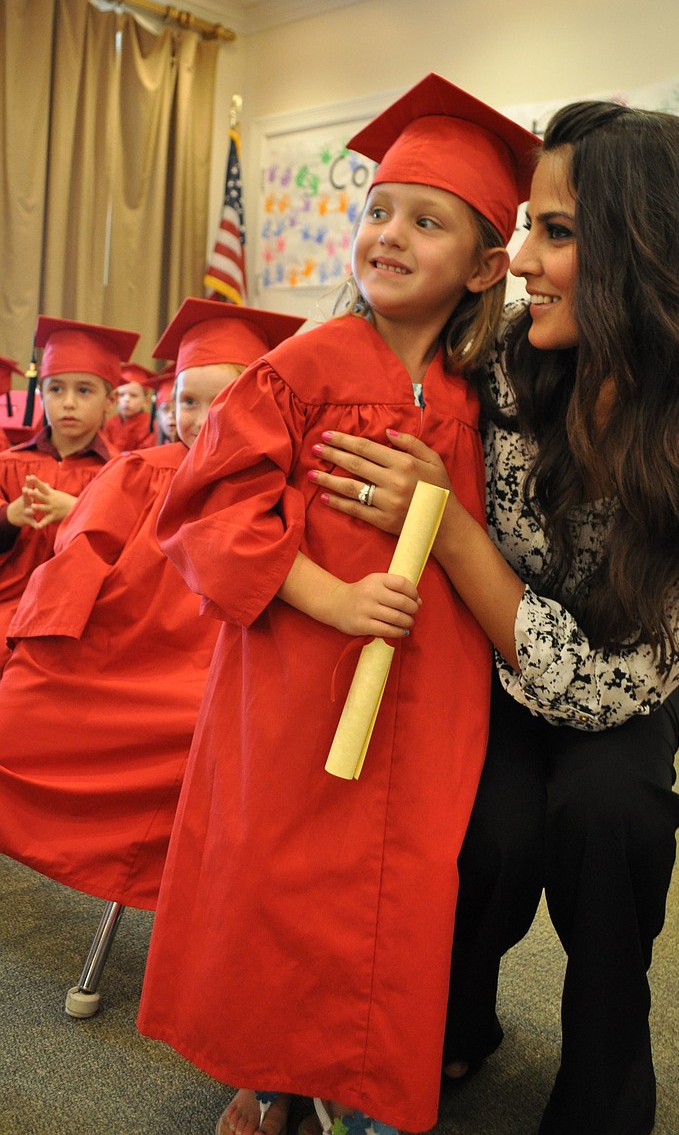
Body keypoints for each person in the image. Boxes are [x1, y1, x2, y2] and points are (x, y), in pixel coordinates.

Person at [305, 102, 679, 1135]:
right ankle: (451, 1016)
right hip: (483, 664)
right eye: (528, 225)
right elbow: (366, 348)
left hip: (623, 685)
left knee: (611, 820)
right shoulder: (499, 364)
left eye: (557, 232)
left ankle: (607, 1077)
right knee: (490, 832)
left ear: (648, 250)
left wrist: (449, 531)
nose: (521, 258)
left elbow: (608, 687)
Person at [136, 73, 539, 1135]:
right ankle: (267, 1070)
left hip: (431, 683)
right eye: (378, 210)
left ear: (486, 266)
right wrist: (333, 597)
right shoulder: (300, 367)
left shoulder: (480, 393)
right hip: (297, 670)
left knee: (399, 883)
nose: (389, 233)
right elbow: (207, 509)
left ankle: (359, 1078)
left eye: (427, 220)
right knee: (285, 871)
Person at [0, 299, 301, 913]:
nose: (202, 418)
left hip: (217, 676)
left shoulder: (279, 493)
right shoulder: (137, 472)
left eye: (222, 399)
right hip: (117, 662)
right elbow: (78, 561)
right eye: (188, 401)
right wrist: (35, 651)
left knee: (231, 752)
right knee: (19, 717)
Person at [0, 317, 138, 663]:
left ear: (110, 400)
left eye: (84, 390)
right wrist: (10, 515)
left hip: (87, 618)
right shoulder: (8, 465)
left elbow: (137, 557)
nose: (68, 402)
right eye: (56, 389)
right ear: (41, 394)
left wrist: (81, 512)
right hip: (8, 608)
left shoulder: (126, 473)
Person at [102, 361, 158, 450]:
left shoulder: (150, 426)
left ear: (145, 401)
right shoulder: (110, 424)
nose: (126, 399)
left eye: (133, 395)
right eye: (122, 395)